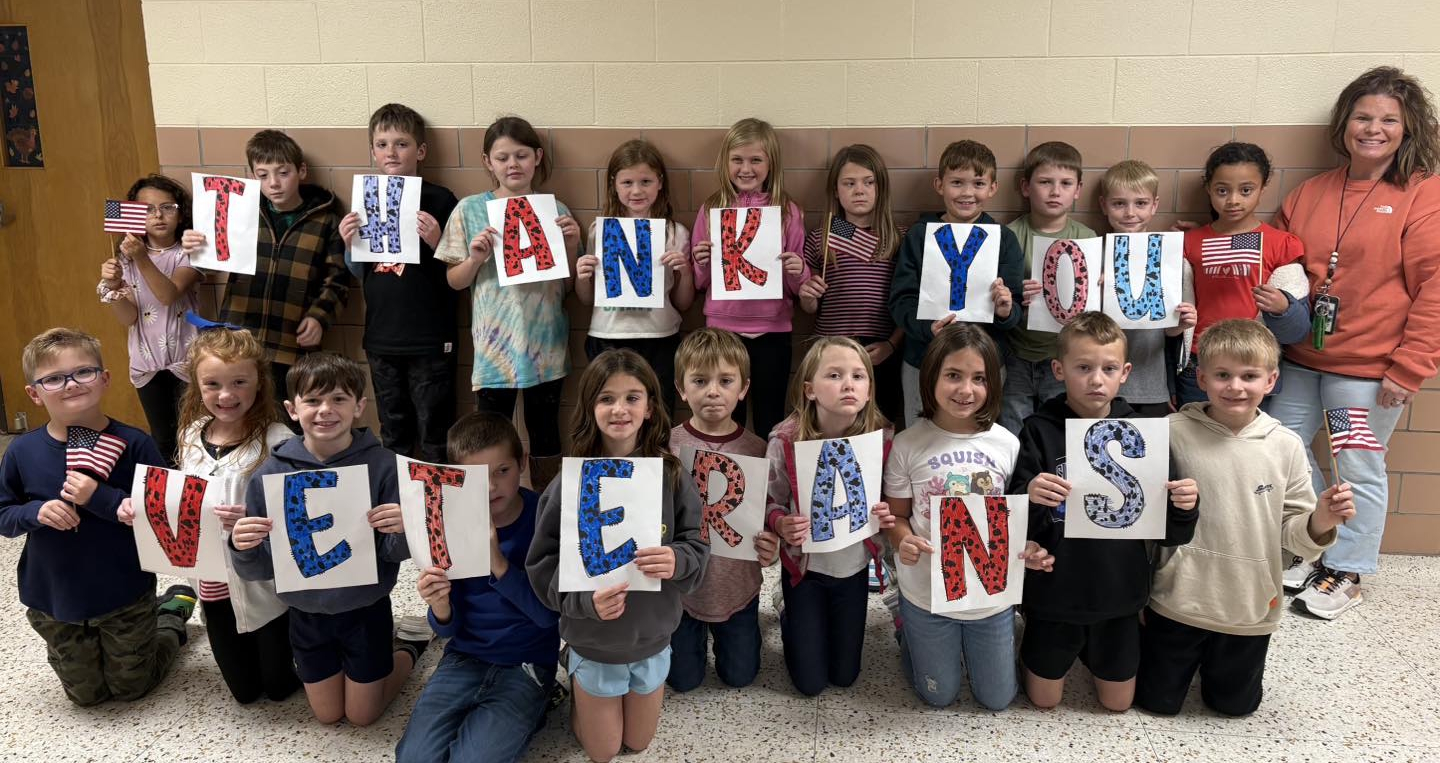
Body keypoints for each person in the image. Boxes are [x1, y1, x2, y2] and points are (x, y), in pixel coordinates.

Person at [1269, 66, 1440, 619]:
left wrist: (1409, 368)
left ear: (1408, 128)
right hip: (1300, 359)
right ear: (1345, 124)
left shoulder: (1422, 194)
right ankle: (1310, 543)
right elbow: (1276, 259)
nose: (1374, 129)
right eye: (1363, 117)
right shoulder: (1312, 191)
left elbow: (1436, 286)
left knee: (1354, 463)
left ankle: (1349, 569)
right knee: (1285, 450)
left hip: (1367, 370)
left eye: (1389, 119)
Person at [1138, 319, 1355, 716]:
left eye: (1249, 376)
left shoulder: (1285, 446)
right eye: (1222, 375)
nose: (1235, 386)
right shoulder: (1170, 432)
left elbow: (1294, 535)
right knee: (1156, 704)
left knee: (1234, 708)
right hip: (1176, 598)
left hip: (1248, 606)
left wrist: (1321, 520)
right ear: (1201, 378)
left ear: (1270, 380)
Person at [1007, 312, 1199, 711]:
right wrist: (1029, 493)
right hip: (1054, 594)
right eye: (1083, 368)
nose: (1096, 379)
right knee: (1044, 701)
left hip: (1119, 594)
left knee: (1118, 705)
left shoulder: (1146, 433)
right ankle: (1039, 646)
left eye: (1108, 368)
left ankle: (1094, 655)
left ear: (1125, 372)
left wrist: (1184, 508)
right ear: (1058, 370)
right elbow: (1013, 519)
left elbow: (1172, 535)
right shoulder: (1037, 430)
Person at [526, 349, 708, 763]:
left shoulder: (673, 476)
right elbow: (541, 567)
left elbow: (697, 544)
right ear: (590, 407)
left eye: (632, 397)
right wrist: (583, 602)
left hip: (652, 638)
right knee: (603, 752)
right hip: (594, 642)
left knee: (639, 742)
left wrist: (678, 561)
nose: (619, 409)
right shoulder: (566, 483)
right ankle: (576, 682)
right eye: (606, 398)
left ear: (649, 408)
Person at [229, 353, 427, 726]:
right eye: (313, 400)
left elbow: (394, 553)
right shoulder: (270, 476)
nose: (325, 410)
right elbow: (261, 569)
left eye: (338, 399)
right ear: (291, 409)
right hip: (305, 615)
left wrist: (404, 529)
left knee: (362, 716)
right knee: (328, 715)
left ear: (359, 407)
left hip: (365, 609)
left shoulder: (384, 465)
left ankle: (409, 648)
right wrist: (243, 546)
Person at [0, 328, 195, 705]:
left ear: (104, 379)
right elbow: (3, 514)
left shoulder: (136, 443)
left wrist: (102, 499)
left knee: (131, 689)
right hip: (55, 599)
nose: (71, 384)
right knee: (86, 697)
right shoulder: (22, 452)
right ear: (34, 394)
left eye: (83, 372)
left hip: (123, 591)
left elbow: (165, 515)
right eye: (54, 378)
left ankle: (170, 616)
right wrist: (34, 512)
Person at [882, 323, 1054, 710]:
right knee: (937, 695)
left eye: (979, 379)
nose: (966, 390)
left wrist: (1030, 548)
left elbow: (1014, 518)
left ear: (993, 384)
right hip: (927, 593)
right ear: (931, 377)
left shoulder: (1008, 443)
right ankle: (904, 626)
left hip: (988, 597)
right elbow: (897, 518)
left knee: (997, 698)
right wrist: (903, 540)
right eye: (954, 376)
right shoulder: (908, 444)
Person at [396, 412, 560, 763]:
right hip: (464, 657)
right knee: (414, 758)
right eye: (477, 477)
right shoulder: (445, 522)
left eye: (503, 471)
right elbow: (447, 626)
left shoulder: (544, 519)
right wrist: (439, 606)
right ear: (457, 479)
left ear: (522, 463)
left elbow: (550, 617)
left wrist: (498, 563)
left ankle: (540, 701)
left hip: (527, 661)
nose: (491, 487)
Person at [433, 115, 583, 492]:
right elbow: (453, 281)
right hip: (494, 349)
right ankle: (491, 504)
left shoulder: (556, 210)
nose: (512, 164)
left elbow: (567, 287)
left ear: (537, 157)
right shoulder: (470, 210)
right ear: (488, 162)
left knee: (546, 432)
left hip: (545, 346)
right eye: (503, 158)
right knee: (489, 433)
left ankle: (549, 510)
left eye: (521, 155)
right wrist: (475, 258)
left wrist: (568, 244)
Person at [180, 130, 351, 415]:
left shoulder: (326, 219)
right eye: (262, 175)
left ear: (301, 171)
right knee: (239, 414)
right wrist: (194, 247)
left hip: (290, 339)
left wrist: (319, 317)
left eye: (283, 173)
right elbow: (210, 263)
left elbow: (338, 279)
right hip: (240, 336)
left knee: (286, 417)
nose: (273, 183)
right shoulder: (239, 212)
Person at [173, 323, 298, 703]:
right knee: (243, 693)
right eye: (212, 384)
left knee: (279, 688)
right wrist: (143, 509)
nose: (226, 395)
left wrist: (257, 515)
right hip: (212, 586)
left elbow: (301, 517)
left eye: (240, 382)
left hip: (265, 588)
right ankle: (172, 612)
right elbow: (180, 497)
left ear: (260, 382)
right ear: (197, 386)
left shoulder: (280, 441)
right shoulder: (191, 434)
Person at [765, 337, 896, 696]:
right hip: (804, 573)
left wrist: (887, 513)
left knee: (845, 675)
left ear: (869, 390)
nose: (848, 384)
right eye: (835, 375)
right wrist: (780, 522)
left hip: (853, 571)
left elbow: (891, 500)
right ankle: (786, 609)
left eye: (858, 376)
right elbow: (768, 501)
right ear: (809, 389)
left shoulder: (881, 438)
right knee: (809, 684)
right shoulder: (785, 439)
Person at [340, 103, 460, 464]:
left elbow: (459, 273)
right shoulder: (365, 200)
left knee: (436, 430)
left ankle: (439, 505)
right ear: (373, 152)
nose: (391, 152)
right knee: (393, 430)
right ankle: (397, 510)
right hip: (382, 337)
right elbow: (359, 272)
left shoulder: (440, 199)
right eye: (382, 144)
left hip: (429, 337)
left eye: (402, 144)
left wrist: (438, 241)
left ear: (420, 151)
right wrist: (349, 243)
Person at [665, 328, 779, 692]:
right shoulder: (666, 445)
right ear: (681, 388)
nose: (713, 391)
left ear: (743, 389)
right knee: (683, 681)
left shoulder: (758, 448)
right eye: (700, 380)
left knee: (740, 677)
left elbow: (766, 514)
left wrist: (770, 545)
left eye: (725, 381)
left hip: (738, 588)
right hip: (681, 591)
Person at [691, 117, 811, 439]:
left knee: (771, 416)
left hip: (773, 329)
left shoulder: (787, 211)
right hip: (723, 331)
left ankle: (768, 484)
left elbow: (798, 284)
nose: (746, 168)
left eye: (756, 160)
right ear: (725, 162)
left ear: (771, 164)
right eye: (737, 160)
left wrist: (798, 271)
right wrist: (701, 262)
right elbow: (699, 282)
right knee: (727, 418)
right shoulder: (712, 208)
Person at [891, 139, 1022, 426]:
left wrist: (1004, 310)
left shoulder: (1003, 239)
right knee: (920, 433)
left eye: (977, 183)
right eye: (957, 183)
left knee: (978, 436)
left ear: (992, 188)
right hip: (924, 358)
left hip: (983, 362)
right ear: (939, 185)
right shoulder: (919, 236)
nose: (967, 193)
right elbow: (901, 300)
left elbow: (1016, 310)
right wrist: (927, 328)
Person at [1176, 142, 1310, 405]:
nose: (1233, 200)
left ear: (1263, 188)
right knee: (1192, 441)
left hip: (1254, 366)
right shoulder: (1189, 242)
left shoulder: (1282, 244)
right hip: (1200, 363)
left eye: (1246, 190)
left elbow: (1299, 330)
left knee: (1248, 443)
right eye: (1222, 190)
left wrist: (1284, 307)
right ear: (1209, 189)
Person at [576, 138, 694, 416]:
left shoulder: (675, 232)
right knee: (611, 415)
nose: (636, 191)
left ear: (660, 183)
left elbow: (685, 303)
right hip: (608, 335)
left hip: (660, 336)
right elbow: (586, 299)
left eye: (646, 181)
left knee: (660, 412)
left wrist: (685, 272)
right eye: (627, 183)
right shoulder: (599, 231)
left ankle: (657, 462)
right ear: (614, 185)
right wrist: (582, 277)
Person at [798, 144, 906, 425]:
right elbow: (809, 307)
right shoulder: (822, 237)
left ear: (880, 187)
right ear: (836, 190)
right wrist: (808, 295)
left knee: (879, 426)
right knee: (826, 425)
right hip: (830, 345)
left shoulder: (899, 239)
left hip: (880, 350)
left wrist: (892, 345)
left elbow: (913, 301)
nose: (859, 190)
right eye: (849, 183)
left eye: (869, 182)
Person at [97, 174, 201, 465]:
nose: (158, 215)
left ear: (181, 214)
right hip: (146, 361)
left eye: (167, 207)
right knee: (163, 438)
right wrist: (116, 287)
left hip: (187, 358)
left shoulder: (188, 253)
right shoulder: (125, 259)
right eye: (147, 209)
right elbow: (129, 317)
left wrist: (142, 259)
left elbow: (169, 295)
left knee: (192, 435)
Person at [1004, 142, 1097, 433]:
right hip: (1016, 353)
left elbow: (1094, 306)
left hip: (1063, 355)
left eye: (1065, 183)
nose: (1055, 191)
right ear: (1026, 187)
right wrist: (1017, 294)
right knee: (1014, 429)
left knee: (1056, 431)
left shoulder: (1087, 238)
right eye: (1045, 182)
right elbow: (994, 299)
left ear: (1078, 189)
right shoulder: (1010, 236)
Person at [1097, 160, 1196, 417]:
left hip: (1151, 382)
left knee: (1147, 453)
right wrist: (1098, 294)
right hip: (1099, 385)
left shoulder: (1170, 258)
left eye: (1140, 203)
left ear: (1154, 206)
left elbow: (1170, 331)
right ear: (1103, 205)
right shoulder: (1094, 255)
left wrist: (1183, 323)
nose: (1130, 213)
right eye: (1119, 203)